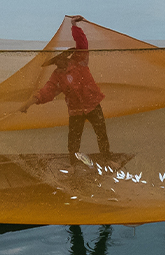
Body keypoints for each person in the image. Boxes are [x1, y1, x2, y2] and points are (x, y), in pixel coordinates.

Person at [20, 16, 110, 158]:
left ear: (65, 56)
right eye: (56, 60)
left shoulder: (79, 61)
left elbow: (82, 44)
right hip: (75, 110)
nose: (58, 62)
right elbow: (46, 92)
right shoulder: (57, 76)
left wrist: (74, 25)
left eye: (60, 58)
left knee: (101, 133)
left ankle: (107, 160)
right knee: (74, 139)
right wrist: (28, 104)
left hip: (92, 104)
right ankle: (73, 165)